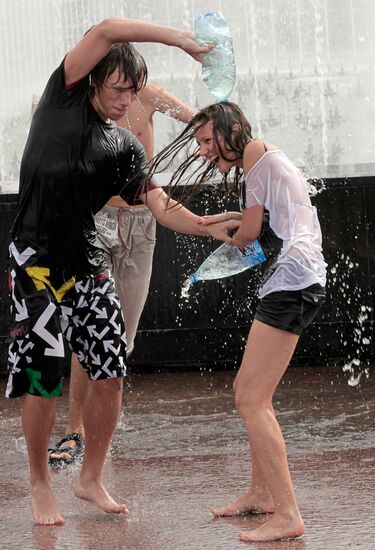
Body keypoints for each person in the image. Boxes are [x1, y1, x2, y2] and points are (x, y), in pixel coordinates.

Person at [6, 17, 214, 526]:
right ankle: (38, 482)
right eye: (119, 89)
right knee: (43, 376)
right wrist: (180, 40)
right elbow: (108, 29)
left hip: (87, 262)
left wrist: (209, 226)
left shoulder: (124, 147)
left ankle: (90, 477)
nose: (127, 102)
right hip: (35, 261)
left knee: (111, 370)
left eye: (134, 92)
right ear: (95, 81)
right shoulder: (63, 98)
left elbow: (158, 205)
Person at [147, 101, 327, 543]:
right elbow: (257, 225)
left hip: (293, 280)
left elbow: (248, 236)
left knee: (251, 398)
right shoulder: (263, 157)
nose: (204, 151)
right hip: (296, 277)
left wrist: (212, 227)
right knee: (252, 395)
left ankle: (287, 513)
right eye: (199, 143)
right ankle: (262, 494)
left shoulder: (256, 157)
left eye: (208, 140)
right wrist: (216, 223)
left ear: (231, 129)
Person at [48, 83, 197, 465]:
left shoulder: (147, 95)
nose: (122, 94)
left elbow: (195, 118)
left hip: (141, 222)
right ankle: (75, 430)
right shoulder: (82, 104)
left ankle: (102, 423)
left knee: (121, 338)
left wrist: (235, 140)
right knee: (90, 326)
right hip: (94, 219)